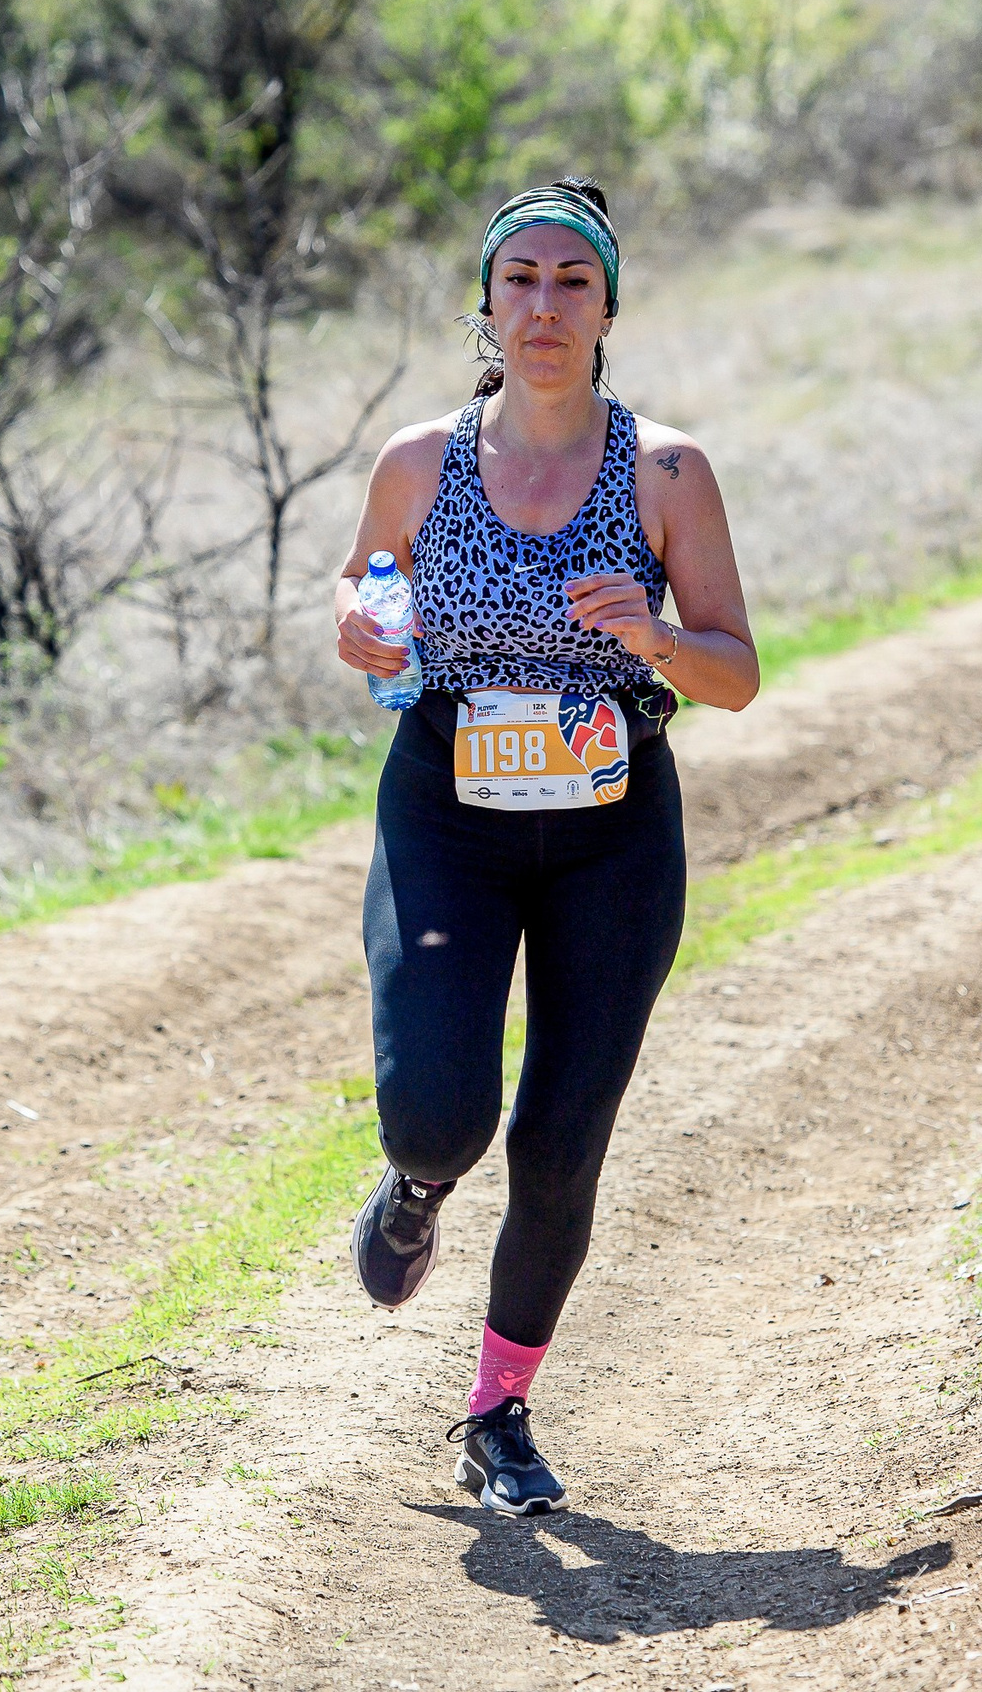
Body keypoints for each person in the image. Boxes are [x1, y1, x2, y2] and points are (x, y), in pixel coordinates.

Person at [331, 179, 760, 1515]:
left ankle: (499, 1412)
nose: (544, 305)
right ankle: (413, 1183)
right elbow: (365, 583)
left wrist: (653, 637)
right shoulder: (419, 460)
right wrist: (359, 619)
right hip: (448, 814)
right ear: (486, 302)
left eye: (573, 282)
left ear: (610, 307)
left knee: (564, 1135)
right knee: (442, 1109)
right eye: (520, 279)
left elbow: (737, 672)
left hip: (611, 833)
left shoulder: (667, 472)